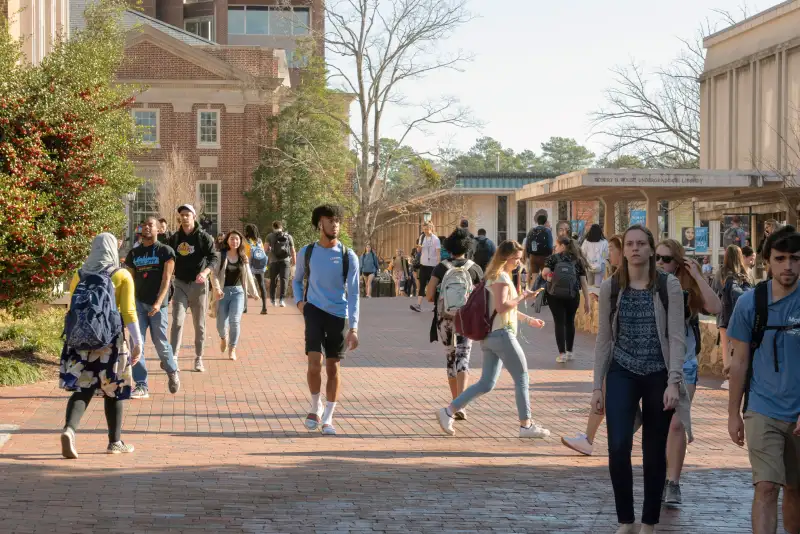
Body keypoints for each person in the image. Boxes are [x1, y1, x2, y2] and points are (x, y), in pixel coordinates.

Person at [591, 225, 689, 534]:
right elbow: (604, 340)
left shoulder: (667, 286)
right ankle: (626, 520)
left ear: (650, 249)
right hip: (622, 370)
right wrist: (597, 385)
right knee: (618, 445)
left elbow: (676, 337)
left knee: (653, 449)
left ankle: (648, 522)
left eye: (641, 244)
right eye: (630, 244)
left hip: (658, 372)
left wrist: (674, 381)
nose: (634, 248)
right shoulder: (611, 287)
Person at [726, 225, 800, 534]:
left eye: (795, 258)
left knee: (795, 490)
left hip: (797, 412)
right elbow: (739, 362)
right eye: (780, 258)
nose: (788, 266)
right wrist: (733, 414)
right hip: (761, 408)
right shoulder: (750, 304)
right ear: (767, 261)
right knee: (767, 486)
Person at [435, 240, 550, 438]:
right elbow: (503, 306)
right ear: (506, 258)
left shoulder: (495, 277)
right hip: (502, 334)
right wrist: (523, 297)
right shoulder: (501, 277)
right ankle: (526, 425)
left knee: (486, 383)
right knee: (522, 377)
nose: (519, 263)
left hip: (491, 336)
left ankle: (448, 412)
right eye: (516, 259)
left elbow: (500, 309)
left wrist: (529, 320)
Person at [59, 233, 143, 458]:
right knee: (113, 389)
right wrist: (137, 342)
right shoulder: (121, 274)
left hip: (80, 339)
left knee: (83, 387)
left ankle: (69, 429)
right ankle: (115, 442)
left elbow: (72, 307)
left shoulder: (79, 274)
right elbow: (128, 311)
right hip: (110, 341)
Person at [655, 239, 721, 505]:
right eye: (657, 258)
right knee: (658, 424)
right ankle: (659, 477)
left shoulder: (687, 287)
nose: (660, 263)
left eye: (667, 259)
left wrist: (696, 275)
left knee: (677, 422)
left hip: (685, 364)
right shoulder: (648, 284)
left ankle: (673, 482)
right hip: (655, 362)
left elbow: (716, 308)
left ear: (678, 262)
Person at [293, 204, 360, 436]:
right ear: (319, 223)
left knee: (332, 368)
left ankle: (329, 417)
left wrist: (354, 327)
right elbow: (297, 280)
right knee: (314, 364)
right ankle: (315, 407)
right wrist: (299, 303)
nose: (335, 224)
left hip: (338, 315)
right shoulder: (307, 252)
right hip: (313, 311)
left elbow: (354, 293)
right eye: (330, 220)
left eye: (337, 221)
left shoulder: (347, 256)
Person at [561, 233, 624, 456]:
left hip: (623, 354)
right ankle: (588, 438)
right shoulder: (613, 282)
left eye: (614, 250)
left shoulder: (616, 283)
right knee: (604, 394)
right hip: (616, 353)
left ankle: (589, 439)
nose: (609, 255)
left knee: (606, 394)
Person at [425, 228, 484, 420]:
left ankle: (454, 401)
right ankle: (461, 405)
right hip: (466, 319)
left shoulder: (441, 267)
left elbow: (429, 294)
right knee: (463, 358)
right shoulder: (474, 268)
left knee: (450, 358)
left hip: (445, 319)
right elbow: (483, 296)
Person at [125, 217, 180, 399]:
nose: (147, 228)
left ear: (159, 230)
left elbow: (166, 279)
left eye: (151, 225)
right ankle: (141, 385)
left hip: (158, 306)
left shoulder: (166, 251)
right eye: (145, 225)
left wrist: (158, 302)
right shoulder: (134, 254)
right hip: (138, 304)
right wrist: (128, 302)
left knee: (161, 344)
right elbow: (130, 280)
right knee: (136, 343)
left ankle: (172, 370)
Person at [168, 204, 220, 373]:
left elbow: (213, 258)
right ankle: (173, 357)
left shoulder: (203, 238)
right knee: (177, 321)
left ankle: (199, 358)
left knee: (200, 325)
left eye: (187, 215)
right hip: (180, 284)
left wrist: (205, 272)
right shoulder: (175, 238)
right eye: (182, 215)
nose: (184, 217)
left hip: (199, 285)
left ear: (194, 216)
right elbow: (167, 257)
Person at [211, 230, 261, 361]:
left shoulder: (243, 257)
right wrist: (216, 289)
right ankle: (223, 338)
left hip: (238, 293)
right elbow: (214, 274)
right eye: (232, 239)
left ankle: (232, 348)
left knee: (235, 321)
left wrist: (254, 292)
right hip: (222, 293)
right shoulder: (220, 255)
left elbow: (249, 275)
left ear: (240, 241)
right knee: (220, 324)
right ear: (227, 240)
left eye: (237, 239)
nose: (235, 241)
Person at [542, 236, 591, 363]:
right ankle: (569, 352)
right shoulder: (577, 260)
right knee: (570, 322)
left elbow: (544, 273)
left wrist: (549, 277)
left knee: (559, 322)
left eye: (557, 246)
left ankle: (562, 354)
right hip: (572, 295)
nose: (555, 248)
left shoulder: (552, 258)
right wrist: (587, 301)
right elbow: (584, 283)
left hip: (554, 295)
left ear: (563, 246)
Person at [714, 245, 754, 391]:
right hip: (741, 317)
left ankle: (728, 377)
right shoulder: (746, 274)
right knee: (739, 347)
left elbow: (715, 292)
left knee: (726, 347)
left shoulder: (721, 273)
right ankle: (740, 375)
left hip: (724, 316)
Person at [411, 223, 440, 313]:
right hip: (423, 265)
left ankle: (436, 306)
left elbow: (438, 253)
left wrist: (439, 265)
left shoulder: (436, 239)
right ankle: (418, 305)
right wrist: (418, 248)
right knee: (422, 285)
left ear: (431, 228)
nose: (425, 231)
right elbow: (419, 251)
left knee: (433, 287)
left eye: (427, 229)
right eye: (424, 229)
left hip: (433, 266)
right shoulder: (422, 237)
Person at [265, 220, 296, 307]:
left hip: (273, 261)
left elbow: (265, 249)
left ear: (273, 227)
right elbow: (293, 251)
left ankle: (272, 300)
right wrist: (294, 263)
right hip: (285, 261)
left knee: (273, 280)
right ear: (281, 227)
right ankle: (282, 300)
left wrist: (270, 251)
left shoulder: (269, 236)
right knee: (284, 280)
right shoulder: (288, 236)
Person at [243, 224, 269, 315]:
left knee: (244, 285)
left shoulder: (245, 241)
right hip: (259, 264)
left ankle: (245, 307)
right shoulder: (259, 241)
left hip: (247, 264)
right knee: (261, 285)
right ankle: (264, 307)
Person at [524, 213, 554, 287]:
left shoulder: (531, 231)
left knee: (534, 277)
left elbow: (527, 244)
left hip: (533, 257)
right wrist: (550, 256)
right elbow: (550, 245)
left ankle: (533, 293)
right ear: (545, 221)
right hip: (544, 257)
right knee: (545, 276)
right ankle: (544, 294)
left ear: (537, 221)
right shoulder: (547, 231)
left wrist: (528, 255)